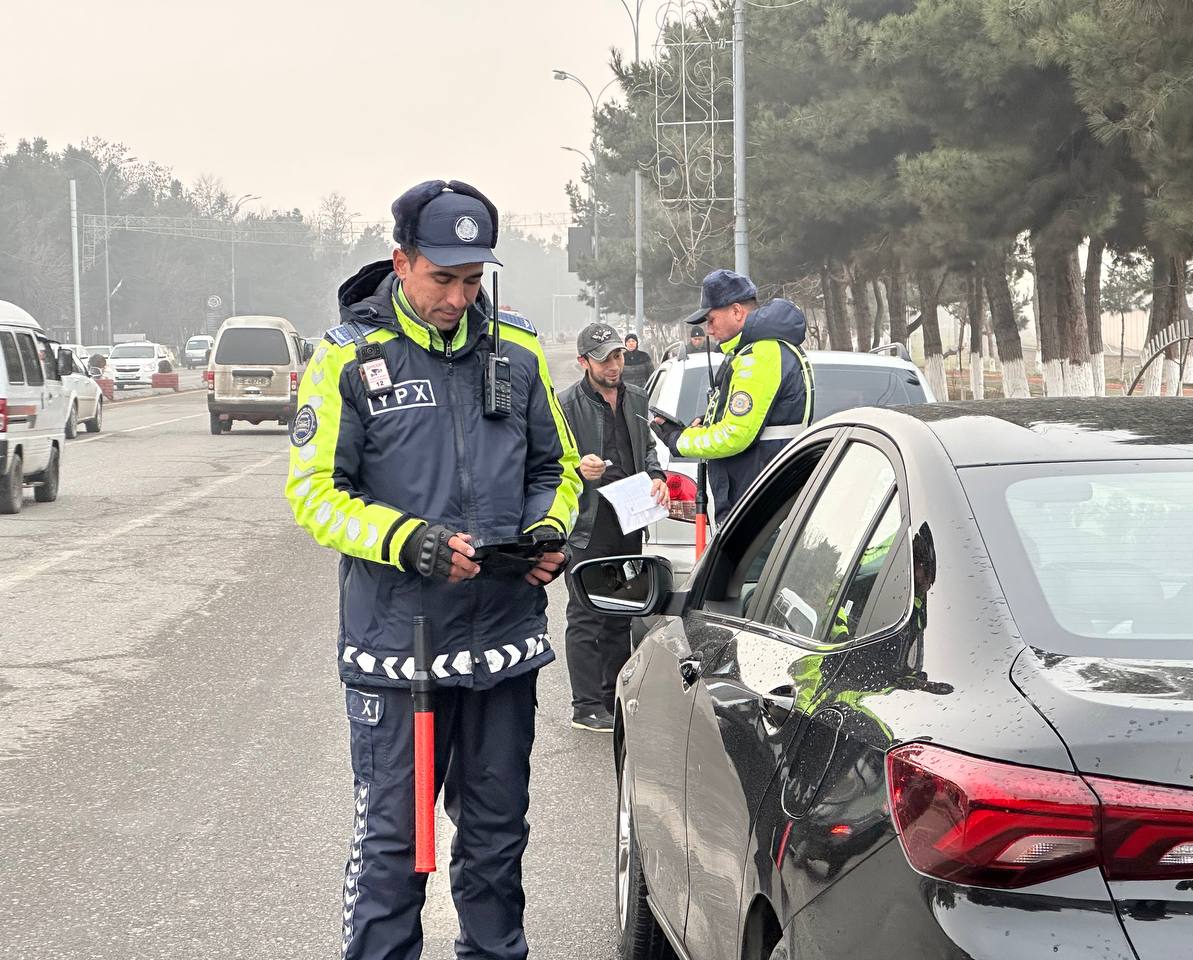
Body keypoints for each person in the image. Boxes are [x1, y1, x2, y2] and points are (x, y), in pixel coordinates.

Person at [285, 179, 582, 960]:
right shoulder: (349, 356)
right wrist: (406, 539)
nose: (458, 296)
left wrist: (547, 528)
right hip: (399, 656)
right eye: (442, 278)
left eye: (473, 279)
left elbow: (557, 469)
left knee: (495, 846)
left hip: (503, 648)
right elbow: (314, 494)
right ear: (402, 261)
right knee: (395, 852)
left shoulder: (515, 350)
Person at [558, 322, 669, 732]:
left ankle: (613, 696)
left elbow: (649, 449)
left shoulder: (637, 397)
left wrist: (656, 475)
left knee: (621, 611)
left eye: (618, 356)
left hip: (631, 515)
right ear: (584, 361)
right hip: (588, 521)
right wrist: (576, 466)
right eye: (605, 358)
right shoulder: (566, 403)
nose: (614, 365)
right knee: (586, 612)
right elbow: (544, 459)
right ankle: (585, 705)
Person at [652, 268, 815, 519]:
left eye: (711, 319)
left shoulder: (759, 355)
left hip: (758, 500)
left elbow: (735, 433)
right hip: (762, 491)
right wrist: (705, 425)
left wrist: (679, 441)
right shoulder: (757, 350)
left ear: (737, 311)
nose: (708, 330)